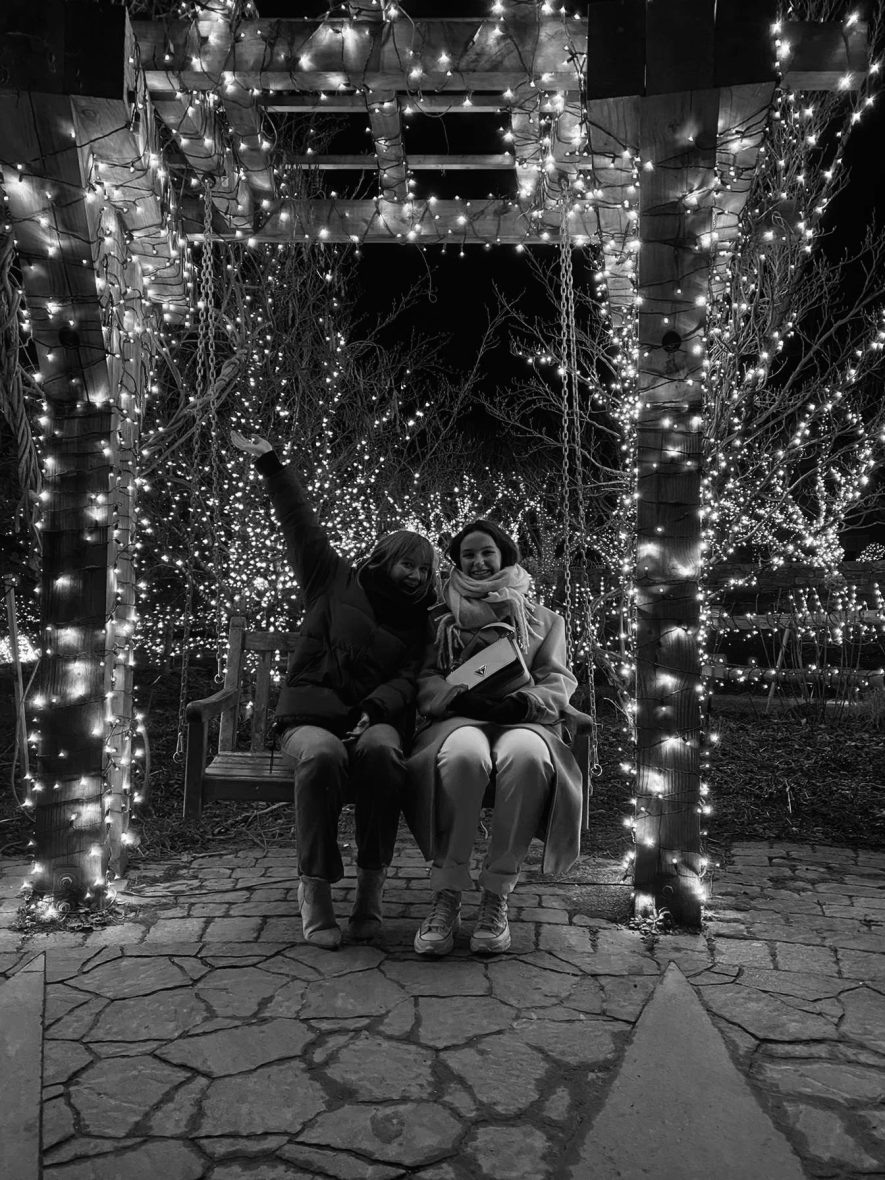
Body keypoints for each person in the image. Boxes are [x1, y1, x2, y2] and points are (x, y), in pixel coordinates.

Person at [230, 430, 437, 950]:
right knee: (321, 756)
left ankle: (371, 890)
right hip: (309, 722)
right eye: (406, 562)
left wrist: (375, 708)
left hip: (372, 721)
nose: (414, 575)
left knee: (385, 753)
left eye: (424, 568)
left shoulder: (422, 622)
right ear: (384, 557)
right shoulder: (332, 579)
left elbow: (411, 677)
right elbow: (299, 524)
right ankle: (315, 890)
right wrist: (272, 464)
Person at [406, 518, 583, 957]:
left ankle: (496, 895)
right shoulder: (437, 617)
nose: (479, 562)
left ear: (504, 556)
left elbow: (557, 681)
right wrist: (455, 699)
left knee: (527, 758)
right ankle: (447, 894)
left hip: (522, 721)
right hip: (456, 720)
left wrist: (522, 704)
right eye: (469, 554)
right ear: (457, 561)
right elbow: (423, 676)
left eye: (487, 552)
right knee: (464, 756)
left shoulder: (544, 619)